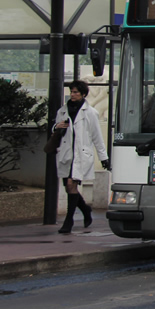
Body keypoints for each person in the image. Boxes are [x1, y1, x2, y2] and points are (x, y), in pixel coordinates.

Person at [53, 80, 109, 234]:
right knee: (69, 187)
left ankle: (69, 221)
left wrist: (103, 157)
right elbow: (55, 128)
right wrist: (56, 127)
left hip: (80, 155)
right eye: (71, 92)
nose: (73, 94)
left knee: (72, 185)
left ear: (83, 94)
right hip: (66, 154)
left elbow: (97, 136)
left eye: (76, 92)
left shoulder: (90, 113)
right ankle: (85, 209)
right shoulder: (63, 111)